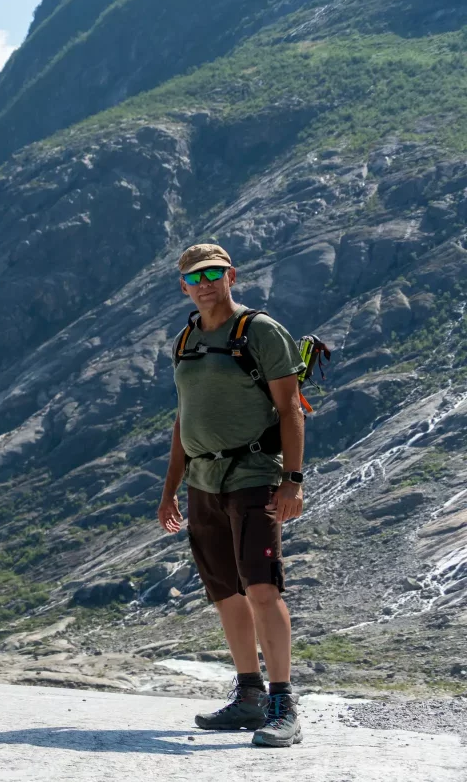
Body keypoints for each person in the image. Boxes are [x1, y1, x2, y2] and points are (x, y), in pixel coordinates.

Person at [156, 243, 307, 748]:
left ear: (231, 276)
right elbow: (184, 419)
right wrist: (170, 490)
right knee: (226, 593)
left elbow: (290, 409)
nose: (204, 284)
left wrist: (292, 480)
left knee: (262, 587)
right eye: (194, 278)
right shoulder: (185, 340)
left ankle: (283, 704)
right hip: (203, 482)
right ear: (183, 286)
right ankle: (249, 696)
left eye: (213, 274)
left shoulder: (259, 331)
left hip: (254, 475)